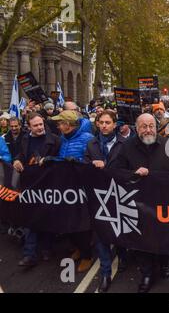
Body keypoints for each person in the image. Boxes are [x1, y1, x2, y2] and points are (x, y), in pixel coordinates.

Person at [112, 113, 169, 293]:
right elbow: (116, 171)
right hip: (137, 204)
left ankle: (164, 263)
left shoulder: (168, 145)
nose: (148, 130)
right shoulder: (127, 147)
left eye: (151, 125)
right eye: (143, 126)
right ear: (137, 128)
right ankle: (146, 273)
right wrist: (133, 173)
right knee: (142, 240)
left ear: (156, 126)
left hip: (164, 203)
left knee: (164, 237)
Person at [84, 110, 127, 292]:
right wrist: (92, 164)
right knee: (101, 233)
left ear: (115, 124)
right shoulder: (91, 144)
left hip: (119, 194)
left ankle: (123, 255)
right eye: (101, 122)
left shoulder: (125, 144)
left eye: (107, 122)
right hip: (98, 195)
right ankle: (105, 272)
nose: (103, 125)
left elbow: (129, 166)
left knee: (120, 230)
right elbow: (84, 165)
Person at [13, 113, 61, 266]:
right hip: (30, 184)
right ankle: (30, 254)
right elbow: (20, 154)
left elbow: (60, 161)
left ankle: (47, 248)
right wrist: (17, 160)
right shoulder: (25, 138)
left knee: (46, 217)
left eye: (41, 124)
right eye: (36, 125)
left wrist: (48, 161)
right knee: (30, 219)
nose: (40, 127)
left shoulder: (55, 140)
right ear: (29, 127)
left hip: (48, 185)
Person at [51, 110, 95, 272]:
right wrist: (51, 160)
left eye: (60, 123)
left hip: (82, 188)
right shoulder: (63, 139)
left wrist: (78, 162)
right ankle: (78, 248)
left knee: (82, 223)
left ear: (68, 125)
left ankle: (87, 256)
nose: (58, 126)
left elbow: (94, 162)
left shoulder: (88, 139)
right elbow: (62, 160)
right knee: (68, 221)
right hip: (66, 187)